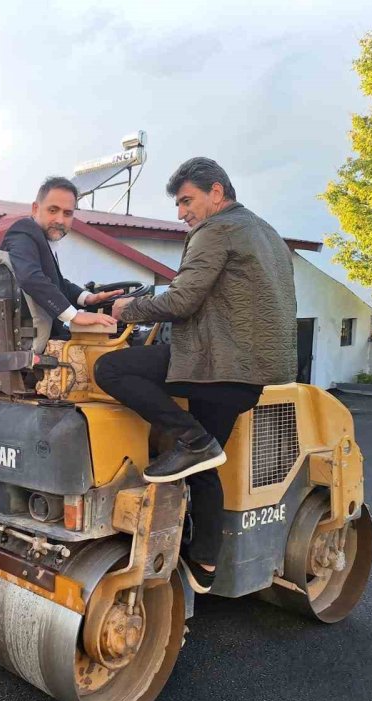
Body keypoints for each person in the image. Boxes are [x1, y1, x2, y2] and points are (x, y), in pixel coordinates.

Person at [93, 157, 297, 593]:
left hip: (214, 365)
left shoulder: (216, 229)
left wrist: (127, 308)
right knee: (205, 462)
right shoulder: (269, 235)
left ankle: (190, 441)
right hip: (249, 378)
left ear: (216, 193)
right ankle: (204, 563)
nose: (182, 212)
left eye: (187, 201)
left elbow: (183, 300)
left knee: (110, 368)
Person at [0, 176, 119, 348]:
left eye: (67, 213)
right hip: (27, 343)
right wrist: (75, 315)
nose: (60, 220)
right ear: (35, 209)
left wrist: (88, 298)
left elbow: (54, 281)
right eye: (53, 210)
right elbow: (30, 278)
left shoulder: (41, 238)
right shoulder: (24, 231)